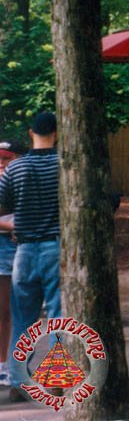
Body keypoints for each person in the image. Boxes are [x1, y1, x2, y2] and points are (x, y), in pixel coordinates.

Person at [0, 113, 61, 400]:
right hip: (56, 247)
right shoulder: (65, 165)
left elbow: (3, 207)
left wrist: (18, 224)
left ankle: (17, 382)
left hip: (23, 250)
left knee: (22, 317)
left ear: (29, 132)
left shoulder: (16, 168)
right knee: (58, 317)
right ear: (57, 132)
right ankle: (57, 379)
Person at [0, 140, 21, 388]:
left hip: (28, 247)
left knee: (25, 311)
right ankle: (3, 365)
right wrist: (11, 226)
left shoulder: (24, 182)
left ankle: (18, 365)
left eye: (7, 158)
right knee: (3, 311)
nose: (2, 163)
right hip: (3, 245)